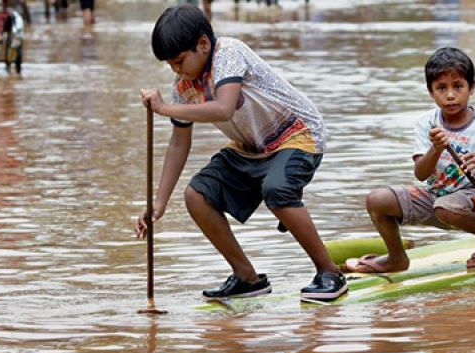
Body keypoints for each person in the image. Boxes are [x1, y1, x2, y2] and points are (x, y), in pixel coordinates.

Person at [136, 4, 347, 301]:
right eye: (170, 64)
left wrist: (162, 108)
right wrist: (158, 204)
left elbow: (223, 108)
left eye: (180, 61)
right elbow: (179, 143)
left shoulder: (229, 53)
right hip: (250, 148)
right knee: (196, 195)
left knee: (277, 189)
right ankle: (247, 278)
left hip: (297, 135)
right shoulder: (183, 88)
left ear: (204, 44)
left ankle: (330, 273)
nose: (176, 70)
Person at [345, 47, 475, 274]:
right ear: (431, 92)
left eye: (458, 86)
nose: (450, 95)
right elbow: (421, 174)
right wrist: (436, 149)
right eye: (441, 88)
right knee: (377, 200)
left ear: (471, 88)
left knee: (446, 206)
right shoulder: (426, 123)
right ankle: (396, 258)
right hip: (437, 198)